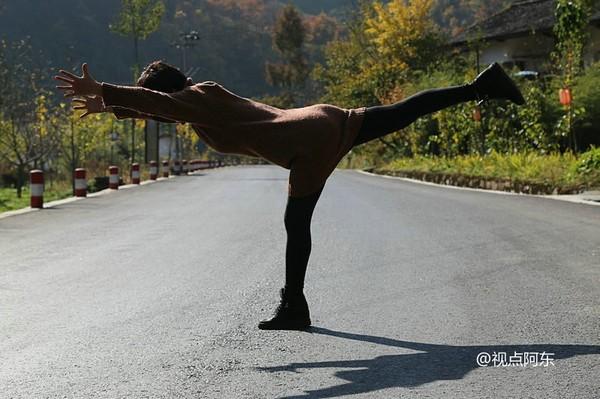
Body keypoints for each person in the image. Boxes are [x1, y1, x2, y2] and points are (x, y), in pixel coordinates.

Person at [55, 61, 525, 330]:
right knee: (400, 113)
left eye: (147, 97)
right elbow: (164, 110)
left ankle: (293, 307)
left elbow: (161, 106)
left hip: (305, 144)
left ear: (160, 92)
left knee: (295, 224)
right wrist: (113, 105)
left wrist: (107, 91)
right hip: (317, 120)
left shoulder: (192, 102)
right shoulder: (200, 99)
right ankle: (481, 85)